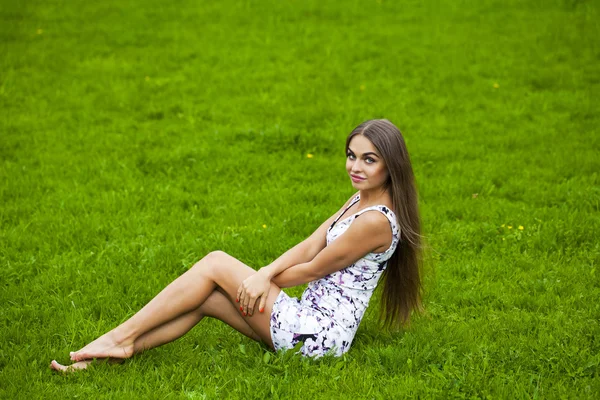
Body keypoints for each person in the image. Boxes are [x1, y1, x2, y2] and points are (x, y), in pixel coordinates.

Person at [50, 119, 423, 372]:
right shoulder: (361, 198)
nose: (355, 167)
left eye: (368, 160)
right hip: (305, 319)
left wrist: (262, 279)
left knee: (215, 264)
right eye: (351, 155)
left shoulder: (376, 220)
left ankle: (118, 337)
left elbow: (314, 269)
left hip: (319, 340)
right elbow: (312, 243)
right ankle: (113, 352)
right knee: (205, 298)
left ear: (391, 165)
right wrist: (262, 275)